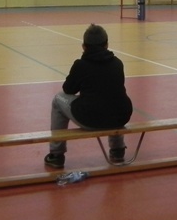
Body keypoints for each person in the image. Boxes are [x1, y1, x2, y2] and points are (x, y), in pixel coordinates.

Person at [44, 24, 133, 170]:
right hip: (120, 116)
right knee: (113, 100)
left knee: (58, 99)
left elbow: (68, 89)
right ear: (107, 44)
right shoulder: (117, 63)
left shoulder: (81, 65)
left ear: (84, 47)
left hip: (90, 119)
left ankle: (56, 155)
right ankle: (117, 150)